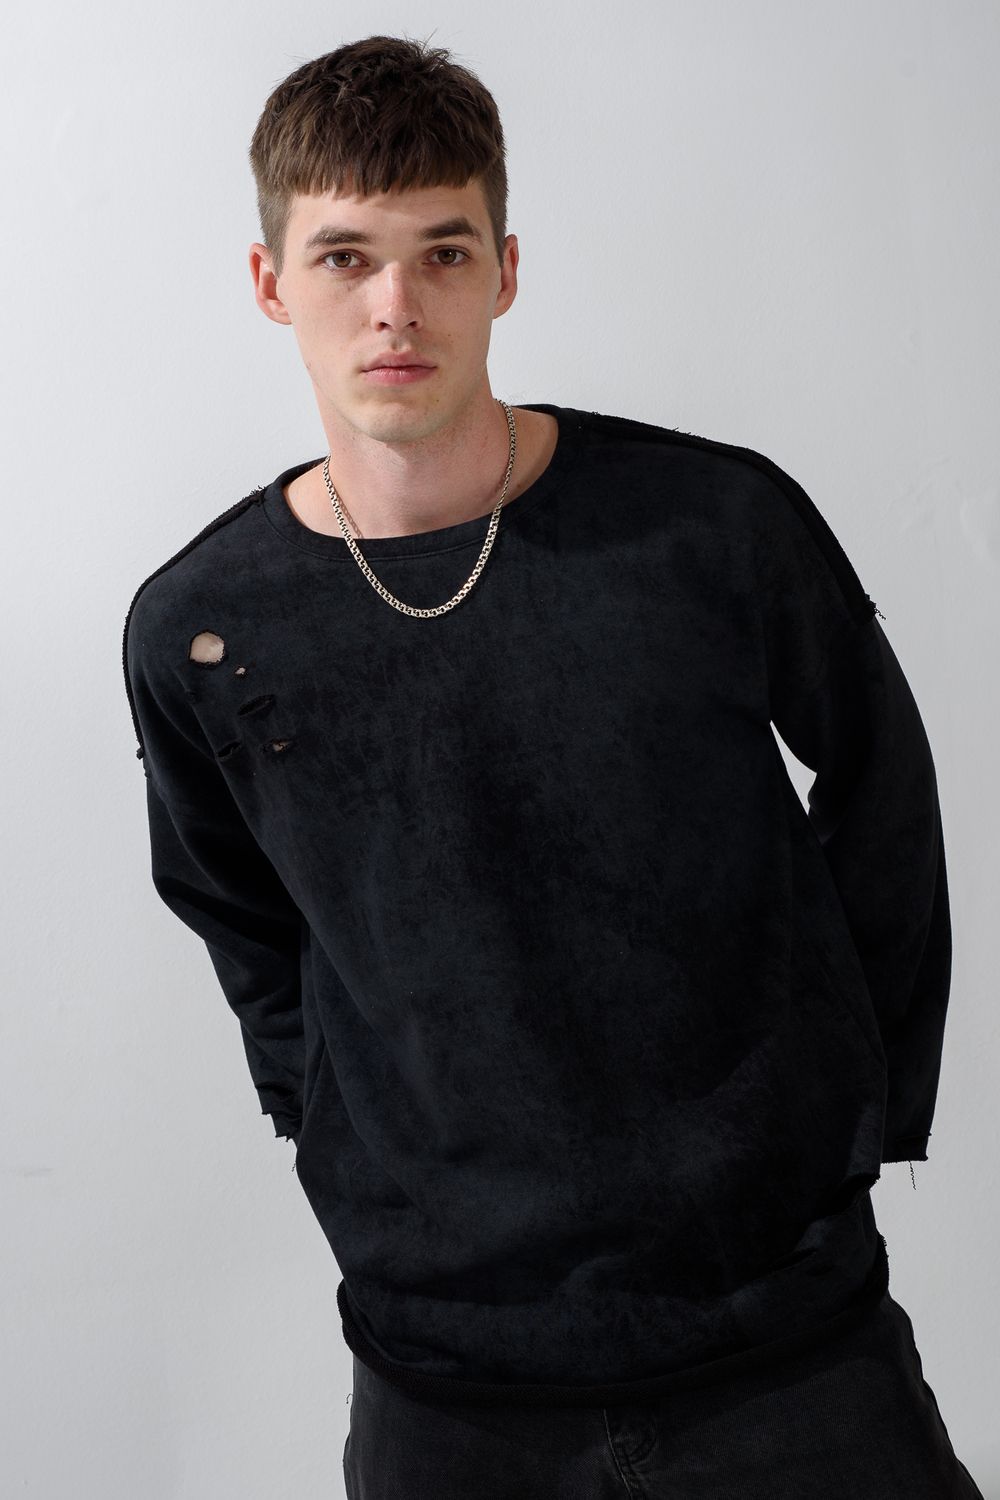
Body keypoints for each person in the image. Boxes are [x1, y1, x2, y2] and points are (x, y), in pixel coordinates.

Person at [121, 33, 985, 1500]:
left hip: (783, 1334)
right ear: (271, 283)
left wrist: (850, 1105)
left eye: (443, 253)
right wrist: (337, 1124)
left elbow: (883, 784)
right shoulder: (204, 626)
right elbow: (236, 914)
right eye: (345, 258)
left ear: (505, 271)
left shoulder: (710, 527)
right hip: (447, 1373)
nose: (395, 306)